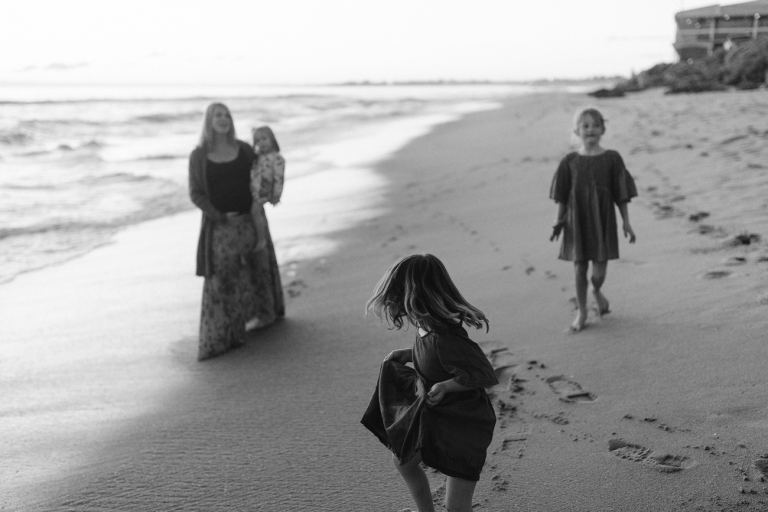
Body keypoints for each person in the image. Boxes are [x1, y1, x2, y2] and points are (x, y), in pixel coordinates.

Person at [361, 254, 498, 512]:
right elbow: (433, 357)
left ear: (415, 296)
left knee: (457, 507)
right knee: (403, 462)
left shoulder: (447, 338)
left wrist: (447, 386)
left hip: (464, 425)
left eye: (396, 296)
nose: (393, 304)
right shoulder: (425, 326)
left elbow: (484, 374)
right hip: (438, 417)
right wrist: (409, 354)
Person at [188, 103, 285, 361]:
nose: (223, 119)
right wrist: (218, 215)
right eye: (218, 115)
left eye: (227, 115)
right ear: (208, 121)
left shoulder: (243, 149)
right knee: (223, 279)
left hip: (250, 221)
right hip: (220, 227)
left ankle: (265, 318)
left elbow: (265, 169)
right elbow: (195, 193)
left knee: (258, 269)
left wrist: (269, 196)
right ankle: (224, 337)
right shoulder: (198, 155)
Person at [549, 107, 637, 332]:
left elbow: (622, 194)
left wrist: (626, 222)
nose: (591, 130)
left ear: (603, 129)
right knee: (579, 269)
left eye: (595, 125)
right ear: (577, 131)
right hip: (576, 221)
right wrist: (559, 222)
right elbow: (562, 196)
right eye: (585, 126)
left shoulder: (612, 158)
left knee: (598, 274)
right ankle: (582, 311)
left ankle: (596, 291)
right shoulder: (569, 161)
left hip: (603, 221)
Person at [250, 126, 285, 252]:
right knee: (255, 212)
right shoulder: (258, 156)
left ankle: (261, 239)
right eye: (257, 140)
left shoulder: (277, 158)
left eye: (264, 139)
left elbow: (279, 178)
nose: (261, 143)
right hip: (255, 188)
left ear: (272, 139)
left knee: (255, 211)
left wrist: (277, 195)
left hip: (265, 190)